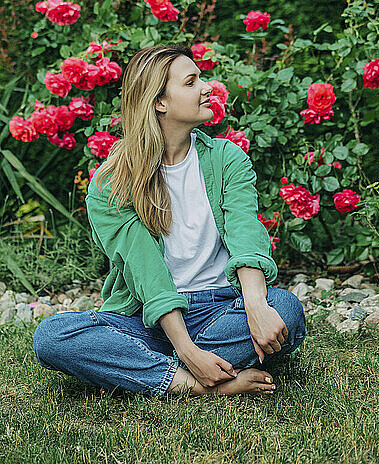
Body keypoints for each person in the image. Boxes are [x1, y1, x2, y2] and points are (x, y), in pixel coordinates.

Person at [33, 43, 306, 398]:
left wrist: (255, 307)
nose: (208, 87)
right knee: (53, 336)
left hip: (222, 307)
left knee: (285, 308)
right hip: (150, 320)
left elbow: (245, 233)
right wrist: (188, 352)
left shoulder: (226, 158)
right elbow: (148, 274)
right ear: (159, 102)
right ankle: (194, 384)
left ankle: (134, 369)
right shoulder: (112, 182)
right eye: (191, 82)